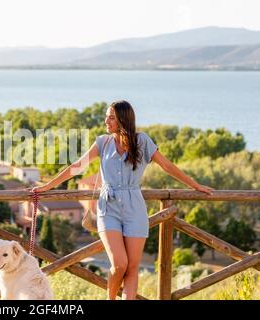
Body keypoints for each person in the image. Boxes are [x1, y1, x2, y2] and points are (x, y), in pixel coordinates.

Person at [32, 100, 213, 300]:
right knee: (120, 264)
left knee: (132, 268)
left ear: (123, 120)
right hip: (107, 207)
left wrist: (195, 186)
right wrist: (47, 186)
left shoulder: (142, 141)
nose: (105, 121)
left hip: (134, 208)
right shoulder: (103, 142)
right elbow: (77, 166)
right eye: (106, 117)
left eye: (111, 117)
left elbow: (167, 166)